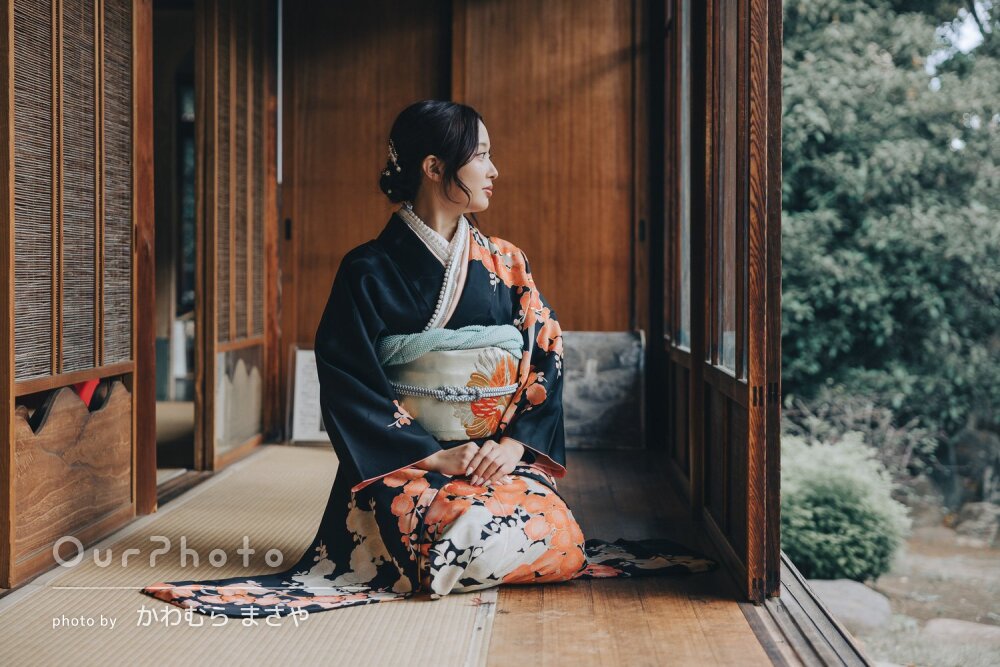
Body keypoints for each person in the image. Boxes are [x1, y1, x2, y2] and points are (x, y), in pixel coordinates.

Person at [142, 100, 716, 617]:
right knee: (451, 534)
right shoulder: (365, 269)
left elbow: (546, 350)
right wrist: (432, 457)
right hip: (408, 467)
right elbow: (348, 379)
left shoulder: (506, 262)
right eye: (482, 156)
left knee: (558, 537)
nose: (494, 171)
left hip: (494, 461)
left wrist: (512, 444)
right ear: (435, 167)